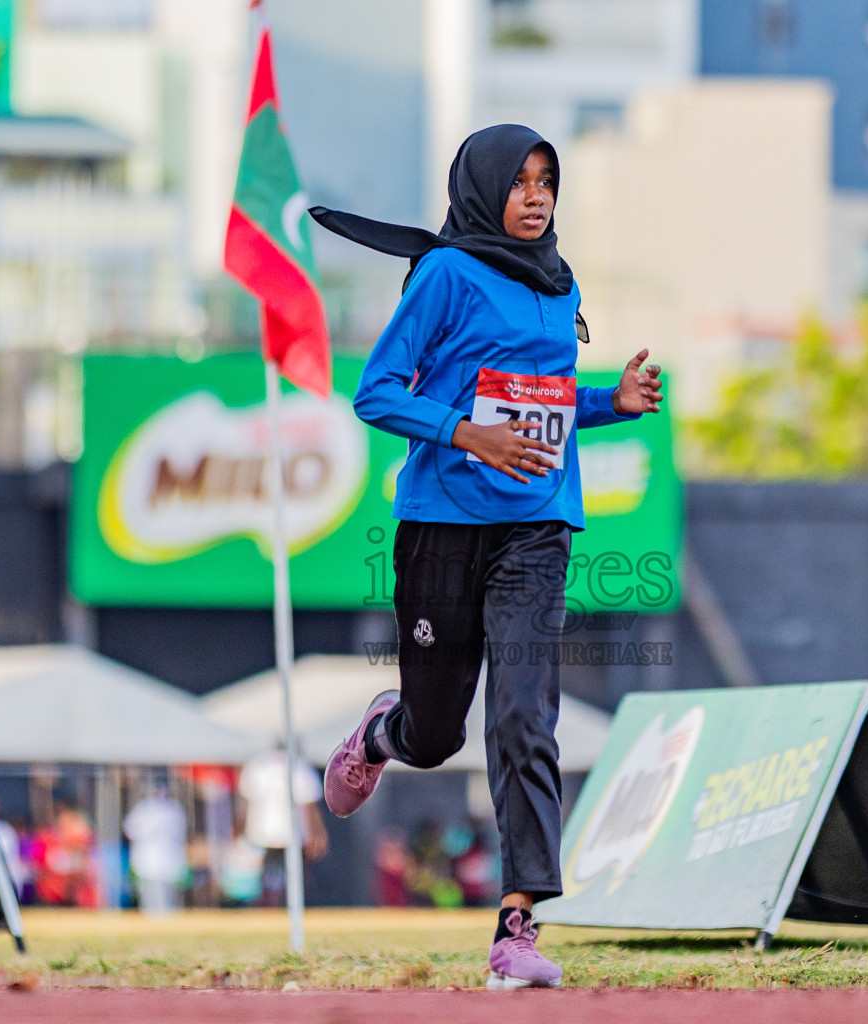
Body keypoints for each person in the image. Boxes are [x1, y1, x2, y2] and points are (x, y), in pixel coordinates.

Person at [309, 123, 665, 989]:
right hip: (441, 523)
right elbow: (376, 392)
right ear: (483, 189)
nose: (537, 196)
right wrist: (467, 433)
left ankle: (518, 929)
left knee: (523, 714)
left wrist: (610, 401)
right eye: (520, 182)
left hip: (538, 525)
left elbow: (540, 399)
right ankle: (387, 729)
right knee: (437, 737)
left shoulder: (558, 282)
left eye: (548, 181)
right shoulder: (445, 274)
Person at [238, 745, 329, 907]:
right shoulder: (300, 767)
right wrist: (317, 833)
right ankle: (285, 908)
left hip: (262, 833)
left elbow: (245, 803)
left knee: (268, 880)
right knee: (292, 879)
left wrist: (239, 831)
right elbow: (310, 804)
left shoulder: (257, 765)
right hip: (291, 834)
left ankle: (269, 908)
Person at [123, 786, 187, 916]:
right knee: (153, 897)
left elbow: (132, 830)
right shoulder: (171, 809)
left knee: (162, 899)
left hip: (161, 861)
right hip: (152, 861)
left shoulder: (160, 809)